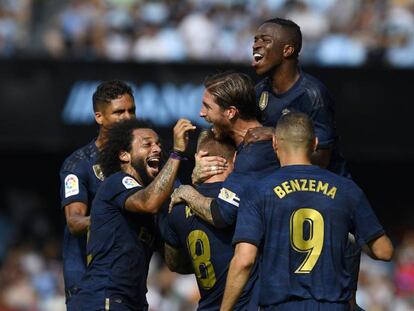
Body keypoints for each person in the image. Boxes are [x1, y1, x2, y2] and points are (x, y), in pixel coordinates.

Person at [220, 112, 394, 311]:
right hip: (333, 306)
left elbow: (244, 260)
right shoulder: (347, 190)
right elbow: (384, 251)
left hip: (281, 306)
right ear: (315, 143)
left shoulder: (258, 191)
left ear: (275, 142)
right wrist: (349, 236)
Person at [67, 118, 196, 310]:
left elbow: (174, 263)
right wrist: (176, 153)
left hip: (132, 302)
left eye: (159, 144)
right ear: (124, 155)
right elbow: (148, 202)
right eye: (147, 144)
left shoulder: (154, 210)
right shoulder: (116, 182)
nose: (158, 149)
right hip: (104, 298)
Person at [170, 71, 279, 229]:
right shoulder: (245, 145)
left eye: (208, 107)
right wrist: (197, 180)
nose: (201, 113)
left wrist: (186, 191)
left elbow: (221, 215)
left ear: (231, 112)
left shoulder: (255, 154)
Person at [59, 80, 136, 302]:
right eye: (119, 112)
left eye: (131, 110)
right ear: (99, 117)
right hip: (88, 285)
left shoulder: (138, 160)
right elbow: (74, 222)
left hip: (129, 284)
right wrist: (112, 218)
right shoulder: (78, 165)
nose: (128, 118)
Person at [164, 130, 258, 310]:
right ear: (236, 158)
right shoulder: (247, 200)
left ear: (199, 157)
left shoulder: (176, 207)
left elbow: (174, 264)